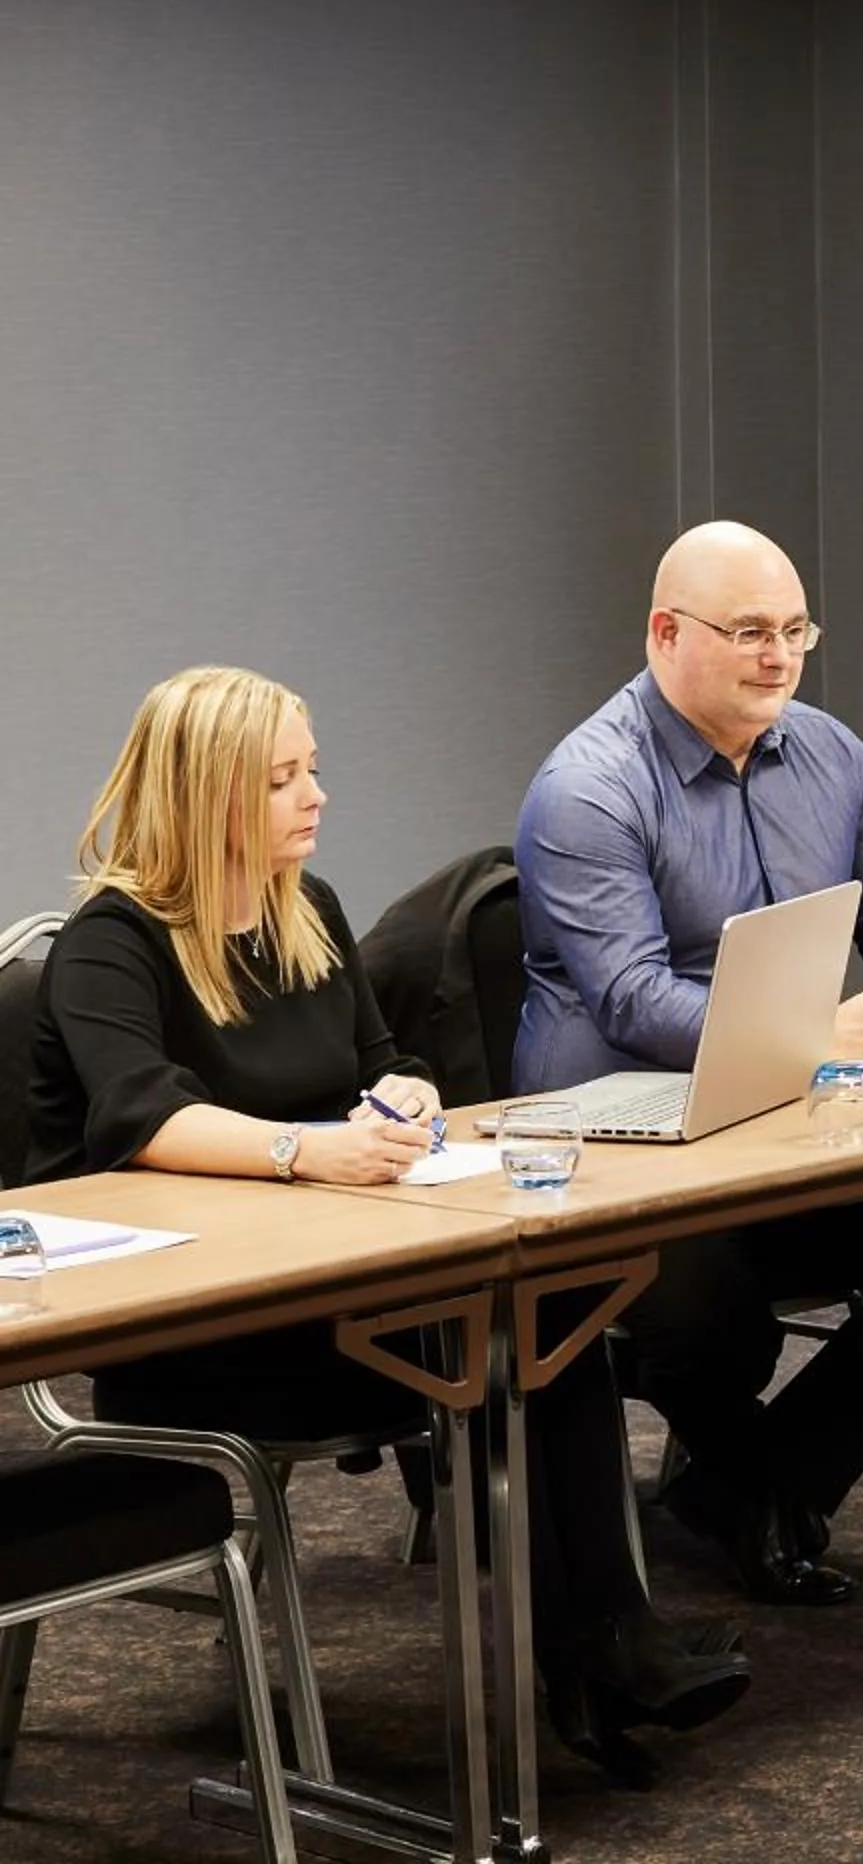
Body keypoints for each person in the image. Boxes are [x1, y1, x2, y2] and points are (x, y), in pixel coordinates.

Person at [21, 666, 748, 1789]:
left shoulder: (304, 909)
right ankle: (593, 1657)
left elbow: (380, 1061)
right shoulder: (114, 938)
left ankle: (609, 1639)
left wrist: (406, 1096)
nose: (315, 795)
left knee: (551, 1315)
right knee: (496, 1347)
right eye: (280, 778)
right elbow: (141, 1113)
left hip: (327, 1273)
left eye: (310, 767)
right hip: (195, 1330)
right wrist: (307, 1148)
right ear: (206, 792)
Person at [515, 522, 863, 1606]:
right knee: (714, 1324)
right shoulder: (590, 785)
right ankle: (758, 1489)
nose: (780, 655)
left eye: (795, 630)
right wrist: (816, 1037)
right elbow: (629, 996)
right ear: (667, 633)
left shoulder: (829, 751)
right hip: (624, 1150)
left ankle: (754, 1485)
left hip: (783, 1125)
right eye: (750, 631)